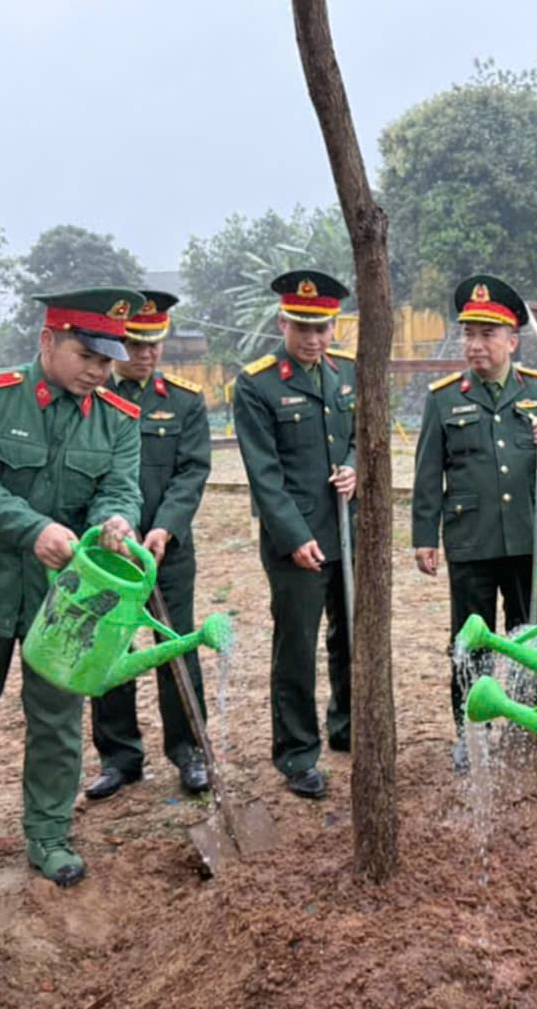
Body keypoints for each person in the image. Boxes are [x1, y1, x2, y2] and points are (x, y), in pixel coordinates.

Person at [0, 286, 146, 888]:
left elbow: (120, 488)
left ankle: (49, 833)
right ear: (47, 342)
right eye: (87, 354)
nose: (99, 370)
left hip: (65, 602)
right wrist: (33, 529)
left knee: (57, 719)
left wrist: (117, 520)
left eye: (108, 359)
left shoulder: (118, 420)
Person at [410, 274, 537, 770]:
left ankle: (532, 719)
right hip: (471, 540)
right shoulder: (444, 397)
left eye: (487, 334)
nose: (475, 344)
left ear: (512, 340)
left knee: (530, 634)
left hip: (528, 537)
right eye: (469, 333)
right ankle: (471, 728)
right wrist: (425, 537)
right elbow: (428, 473)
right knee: (470, 638)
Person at [233, 270, 357, 799]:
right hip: (297, 541)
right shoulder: (257, 384)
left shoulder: (348, 372)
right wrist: (292, 536)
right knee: (297, 646)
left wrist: (357, 468)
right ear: (282, 322)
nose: (312, 339)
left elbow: (361, 436)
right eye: (302, 327)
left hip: (348, 532)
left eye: (323, 328)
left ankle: (348, 726)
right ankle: (297, 752)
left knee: (351, 635)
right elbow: (263, 473)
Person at [85, 289, 214, 799]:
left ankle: (189, 751)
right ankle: (119, 757)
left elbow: (192, 472)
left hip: (168, 549)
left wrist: (165, 527)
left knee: (176, 644)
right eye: (136, 344)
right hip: (110, 552)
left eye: (154, 344)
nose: (146, 354)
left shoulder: (183, 400)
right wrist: (114, 530)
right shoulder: (92, 400)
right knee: (108, 646)